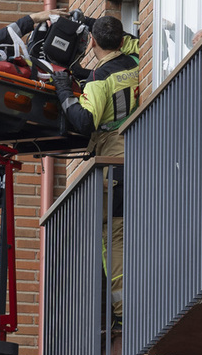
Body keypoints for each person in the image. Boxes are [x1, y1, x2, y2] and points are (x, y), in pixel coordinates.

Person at [51, 16, 139, 330]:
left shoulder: (100, 80)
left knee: (112, 239)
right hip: (140, 155)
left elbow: (85, 121)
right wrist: (94, 24)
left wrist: (65, 92)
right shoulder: (137, 57)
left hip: (115, 166)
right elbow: (125, 43)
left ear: (91, 43)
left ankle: (122, 314)